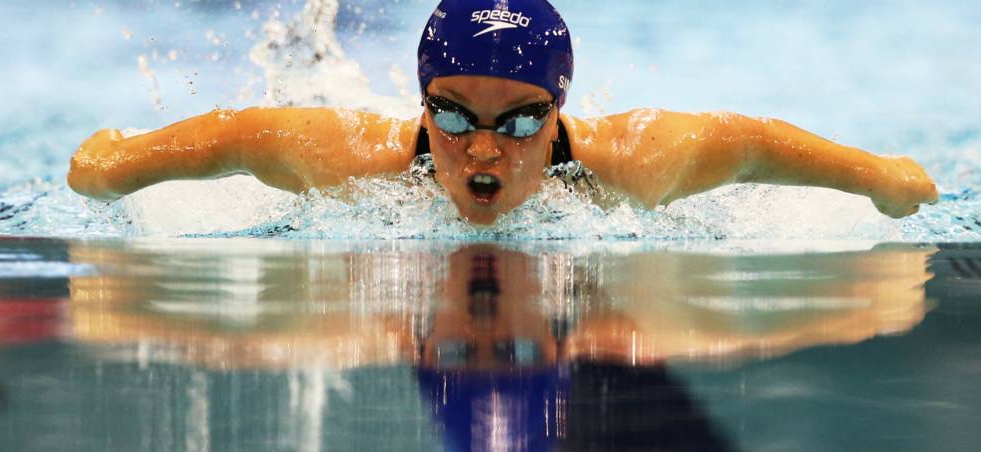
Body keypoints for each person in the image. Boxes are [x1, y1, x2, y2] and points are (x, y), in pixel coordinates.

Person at [67, 0, 938, 226]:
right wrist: (110, 165)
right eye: (452, 117)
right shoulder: (342, 154)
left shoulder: (635, 160)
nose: (483, 150)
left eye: (520, 123)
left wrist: (885, 180)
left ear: (558, 114)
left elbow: (749, 146)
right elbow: (230, 138)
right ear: (419, 105)